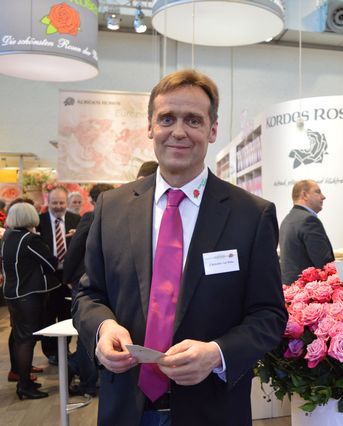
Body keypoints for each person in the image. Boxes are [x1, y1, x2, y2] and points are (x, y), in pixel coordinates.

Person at [72, 69, 287, 425]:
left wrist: (217, 353)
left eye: (193, 120)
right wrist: (103, 328)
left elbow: (269, 314)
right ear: (150, 127)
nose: (179, 131)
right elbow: (88, 295)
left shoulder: (251, 215)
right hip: (125, 406)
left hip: (212, 408)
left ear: (212, 130)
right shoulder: (112, 208)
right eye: (167, 118)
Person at [2, 202, 59, 400]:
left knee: (20, 339)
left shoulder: (8, 236)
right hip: (28, 295)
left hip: (12, 293)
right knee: (27, 340)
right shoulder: (29, 239)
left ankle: (22, 379)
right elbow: (51, 263)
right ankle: (24, 385)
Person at [64, 183, 114, 397]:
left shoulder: (95, 216)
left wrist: (67, 278)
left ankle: (85, 378)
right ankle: (87, 379)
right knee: (91, 331)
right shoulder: (96, 217)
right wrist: (68, 278)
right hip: (93, 281)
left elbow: (75, 248)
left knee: (90, 333)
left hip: (94, 281)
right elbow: (76, 249)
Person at [37, 186, 81, 365]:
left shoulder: (75, 220)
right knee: (48, 313)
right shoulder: (39, 221)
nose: (58, 206)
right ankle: (51, 352)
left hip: (69, 275)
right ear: (48, 202)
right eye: (54, 203)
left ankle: (65, 348)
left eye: (61, 202)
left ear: (66, 202)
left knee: (67, 313)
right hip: (47, 275)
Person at [279, 179, 334, 284]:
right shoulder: (309, 220)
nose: (323, 197)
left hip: (292, 287)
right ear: (304, 195)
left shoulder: (287, 219)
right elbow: (324, 264)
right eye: (317, 192)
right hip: (308, 288)